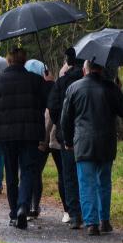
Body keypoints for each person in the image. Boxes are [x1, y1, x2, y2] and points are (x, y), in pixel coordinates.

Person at [0, 47, 50, 229]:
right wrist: (48, 83)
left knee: (11, 172)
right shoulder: (36, 81)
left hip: (5, 135)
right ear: (24, 61)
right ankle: (24, 205)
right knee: (28, 170)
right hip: (30, 134)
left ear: (8, 61)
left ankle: (14, 212)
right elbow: (48, 102)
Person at [61, 60, 123, 236]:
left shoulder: (74, 88)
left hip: (83, 142)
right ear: (101, 69)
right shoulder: (110, 88)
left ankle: (91, 222)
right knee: (104, 182)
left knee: (86, 183)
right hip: (106, 142)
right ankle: (104, 220)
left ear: (85, 70)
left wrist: (68, 141)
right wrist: (118, 90)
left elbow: (66, 119)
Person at [48, 48, 83, 227]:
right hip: (86, 135)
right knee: (87, 174)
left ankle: (75, 213)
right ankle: (91, 211)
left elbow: (53, 107)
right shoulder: (89, 80)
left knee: (68, 174)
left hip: (66, 134)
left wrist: (60, 124)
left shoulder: (62, 83)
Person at [24, 59, 53, 219]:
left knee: (29, 171)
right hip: (43, 136)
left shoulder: (25, 89)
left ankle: (29, 204)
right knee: (36, 172)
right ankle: (35, 205)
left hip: (31, 136)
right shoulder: (47, 88)